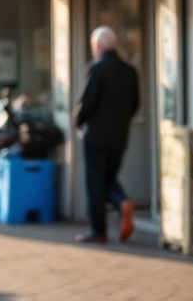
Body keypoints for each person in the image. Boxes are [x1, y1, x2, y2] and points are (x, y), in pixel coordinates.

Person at [73, 25, 140, 245]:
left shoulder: (97, 69)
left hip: (96, 137)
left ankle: (98, 231)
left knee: (96, 183)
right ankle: (122, 202)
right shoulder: (130, 71)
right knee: (109, 179)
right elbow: (135, 104)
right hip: (120, 137)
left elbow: (87, 103)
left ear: (99, 46)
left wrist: (79, 122)